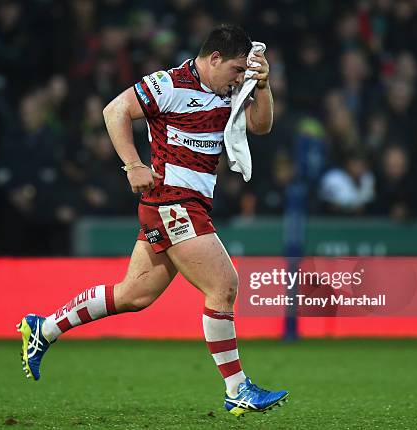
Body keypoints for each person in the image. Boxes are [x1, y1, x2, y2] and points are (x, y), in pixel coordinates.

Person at [17, 24, 289, 417]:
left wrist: (262, 86)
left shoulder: (229, 88)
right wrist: (132, 164)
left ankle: (42, 329)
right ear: (213, 58)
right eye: (234, 69)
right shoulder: (169, 84)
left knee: (134, 295)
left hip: (186, 203)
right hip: (172, 201)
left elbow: (261, 126)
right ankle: (237, 389)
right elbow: (114, 111)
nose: (237, 78)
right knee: (224, 285)